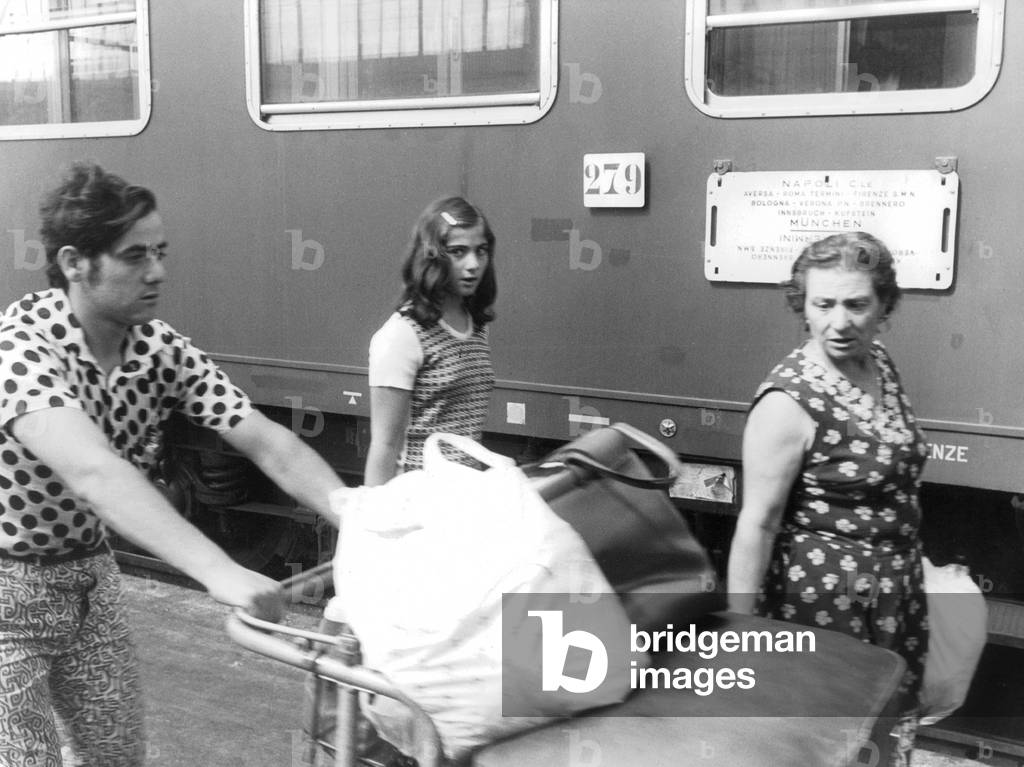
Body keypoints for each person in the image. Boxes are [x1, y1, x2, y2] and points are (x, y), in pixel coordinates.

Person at [0, 161, 347, 766]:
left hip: (88, 581)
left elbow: (265, 441)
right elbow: (94, 473)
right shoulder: (21, 345)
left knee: (117, 755)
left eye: (160, 252)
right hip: (7, 595)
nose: (158, 271)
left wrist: (358, 514)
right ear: (75, 263)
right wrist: (220, 571)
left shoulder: (160, 350)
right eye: (135, 256)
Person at [727, 232, 928, 765]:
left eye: (857, 304)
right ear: (804, 306)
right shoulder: (787, 401)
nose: (840, 322)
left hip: (893, 604)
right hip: (823, 612)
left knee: (884, 746)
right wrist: (738, 636)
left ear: (884, 306)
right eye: (824, 304)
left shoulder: (879, 364)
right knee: (823, 748)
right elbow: (758, 524)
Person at [364, 196, 497, 486]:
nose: (473, 264)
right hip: (419, 500)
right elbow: (384, 446)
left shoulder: (476, 326)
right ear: (432, 255)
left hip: (467, 497)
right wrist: (374, 521)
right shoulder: (402, 335)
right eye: (458, 252)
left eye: (481, 251)